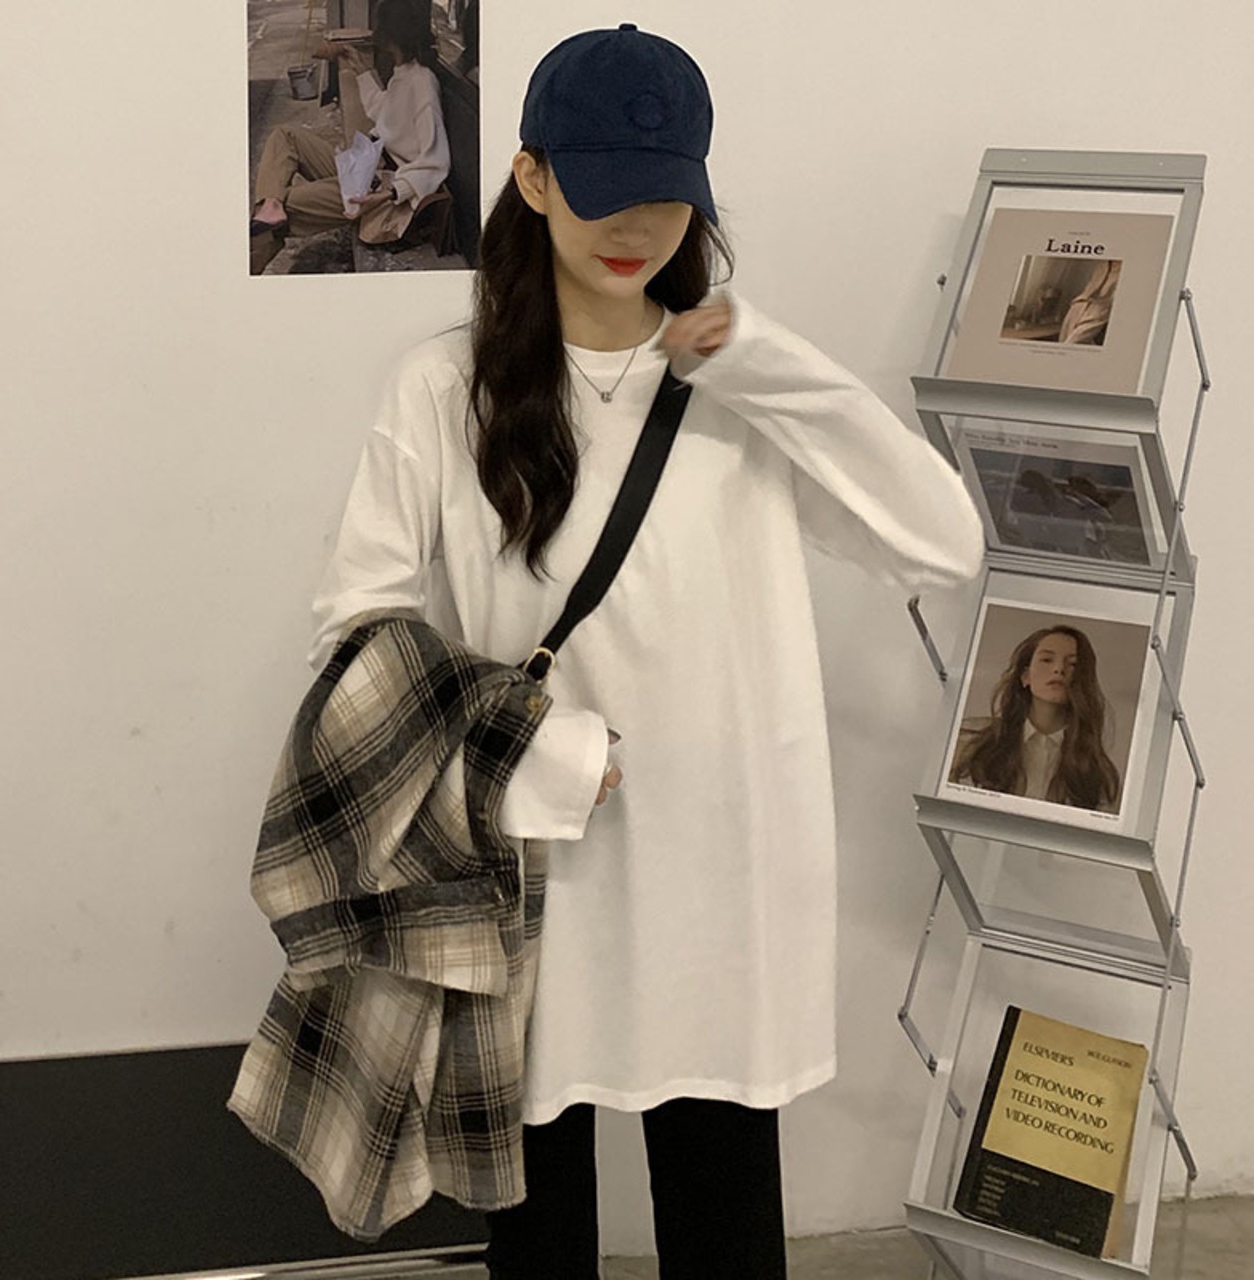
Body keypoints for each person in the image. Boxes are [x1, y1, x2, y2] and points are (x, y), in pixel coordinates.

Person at [308, 24, 983, 1278]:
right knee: (539, 1241)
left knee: (726, 1234)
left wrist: (759, 360)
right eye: (605, 191)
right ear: (530, 177)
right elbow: (356, 630)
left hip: (720, 882)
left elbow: (943, 543)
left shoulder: (744, 390)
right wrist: (529, 747)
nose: (637, 229)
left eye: (667, 197)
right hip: (529, 887)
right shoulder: (443, 389)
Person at [249, 0, 450, 272]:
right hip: (368, 169)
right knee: (285, 137)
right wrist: (360, 69)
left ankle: (246, 275)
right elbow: (384, 113)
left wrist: (388, 194)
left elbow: (437, 162)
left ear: (390, 33)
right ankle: (270, 205)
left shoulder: (423, 83)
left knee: (285, 208)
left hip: (382, 193)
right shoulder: (403, 74)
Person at [950, 624, 1121, 812]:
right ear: (1026, 676)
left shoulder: (1097, 775)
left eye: (1073, 664)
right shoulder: (971, 742)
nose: (1059, 669)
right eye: (1047, 660)